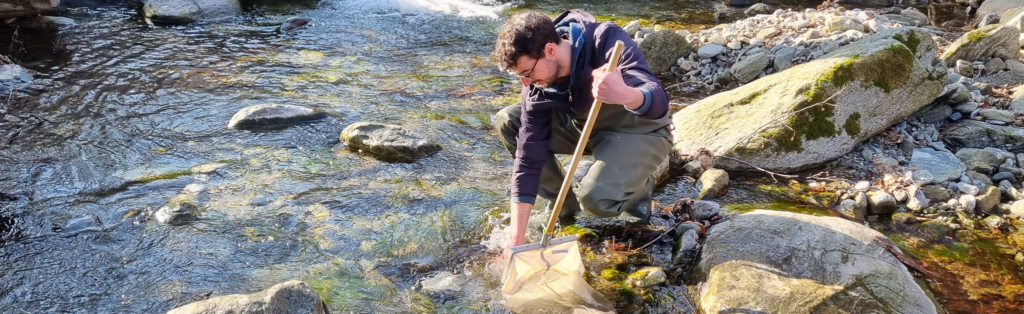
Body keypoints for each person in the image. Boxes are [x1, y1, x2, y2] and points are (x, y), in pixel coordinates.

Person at [490, 9, 672, 259]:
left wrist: (625, 94)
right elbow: (528, 159)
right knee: (511, 120)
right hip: (581, 127)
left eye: (527, 73)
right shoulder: (536, 85)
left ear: (550, 50)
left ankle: (638, 188)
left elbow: (659, 99)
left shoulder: (605, 40)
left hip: (636, 129)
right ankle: (562, 204)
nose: (526, 84)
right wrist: (516, 238)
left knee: (597, 200)